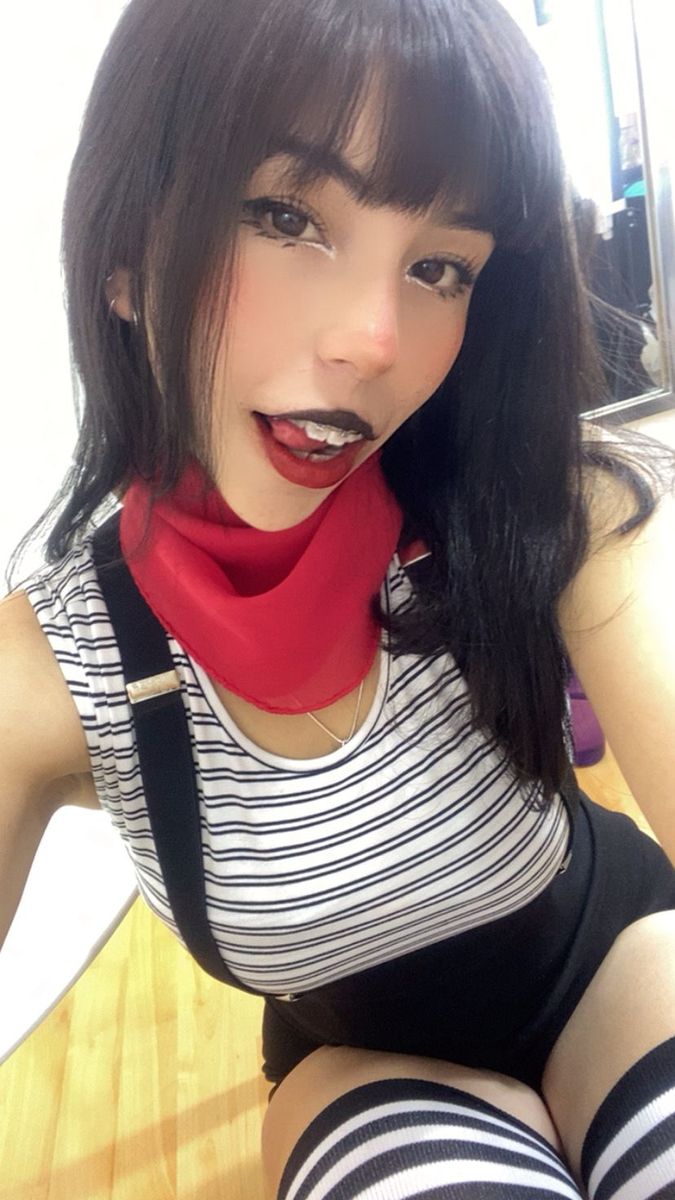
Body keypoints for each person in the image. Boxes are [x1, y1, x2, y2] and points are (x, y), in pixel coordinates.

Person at [2, 0, 675, 1196]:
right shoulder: (48, 675)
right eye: (286, 216)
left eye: (441, 268)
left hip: (617, 958)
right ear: (126, 255)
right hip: (363, 1066)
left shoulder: (544, 511)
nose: (375, 340)